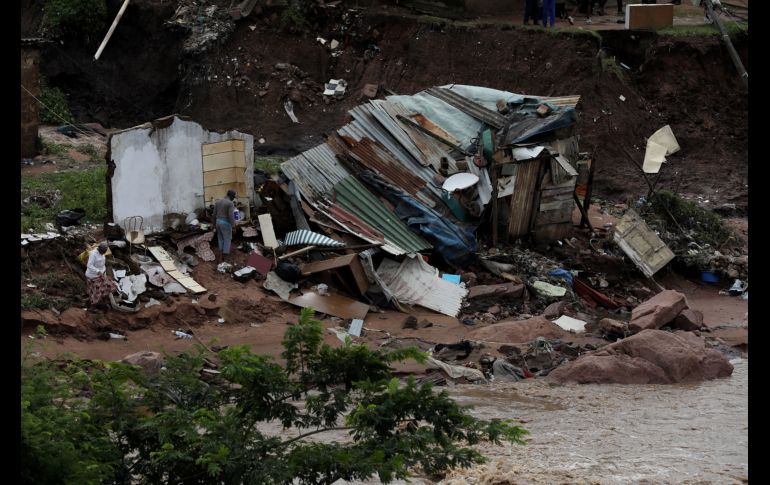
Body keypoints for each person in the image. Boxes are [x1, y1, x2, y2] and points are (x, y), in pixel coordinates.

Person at [85, 241, 116, 311]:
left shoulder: (102, 253)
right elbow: (89, 265)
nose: (104, 252)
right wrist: (97, 271)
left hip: (101, 275)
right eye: (103, 251)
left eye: (105, 251)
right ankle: (92, 307)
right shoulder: (93, 254)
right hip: (93, 276)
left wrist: (104, 273)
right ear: (99, 249)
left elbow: (102, 264)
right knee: (97, 291)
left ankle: (102, 302)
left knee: (109, 286)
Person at [214, 189, 237, 263]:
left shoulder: (218, 202)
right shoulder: (230, 203)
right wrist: (233, 226)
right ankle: (225, 258)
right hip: (225, 223)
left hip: (218, 222)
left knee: (220, 238)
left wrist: (214, 224)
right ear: (231, 196)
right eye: (234, 196)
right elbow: (231, 216)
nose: (234, 198)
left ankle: (220, 256)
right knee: (227, 239)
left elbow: (214, 214)